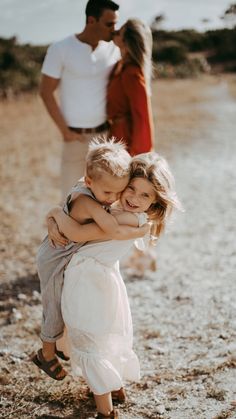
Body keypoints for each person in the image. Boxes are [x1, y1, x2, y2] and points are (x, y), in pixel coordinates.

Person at [47, 152, 181, 418]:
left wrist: (53, 213)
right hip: (100, 280)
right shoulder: (118, 210)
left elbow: (77, 233)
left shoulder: (129, 219)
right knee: (101, 337)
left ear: (155, 202)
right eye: (131, 188)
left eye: (145, 196)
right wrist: (54, 222)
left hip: (89, 283)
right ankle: (115, 387)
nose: (134, 198)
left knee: (89, 340)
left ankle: (105, 412)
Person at [32, 138, 149, 381]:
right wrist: (139, 231)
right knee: (53, 305)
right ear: (88, 181)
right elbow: (112, 229)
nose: (113, 198)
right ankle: (46, 354)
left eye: (119, 191)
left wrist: (53, 214)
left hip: (68, 251)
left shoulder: (98, 189)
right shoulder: (86, 200)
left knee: (71, 301)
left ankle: (63, 347)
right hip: (56, 255)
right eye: (108, 192)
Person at [40, 0, 120, 199]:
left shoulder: (114, 50)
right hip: (74, 138)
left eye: (115, 24)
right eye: (109, 24)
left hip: (104, 137)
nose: (114, 30)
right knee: (71, 200)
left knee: (104, 201)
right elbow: (45, 91)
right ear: (91, 20)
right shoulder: (60, 48)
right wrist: (64, 131)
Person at [107, 19, 154, 156]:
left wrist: (139, 155)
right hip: (115, 136)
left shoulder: (131, 73)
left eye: (119, 32)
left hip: (126, 142)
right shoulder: (119, 67)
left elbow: (142, 115)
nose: (114, 32)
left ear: (127, 40)